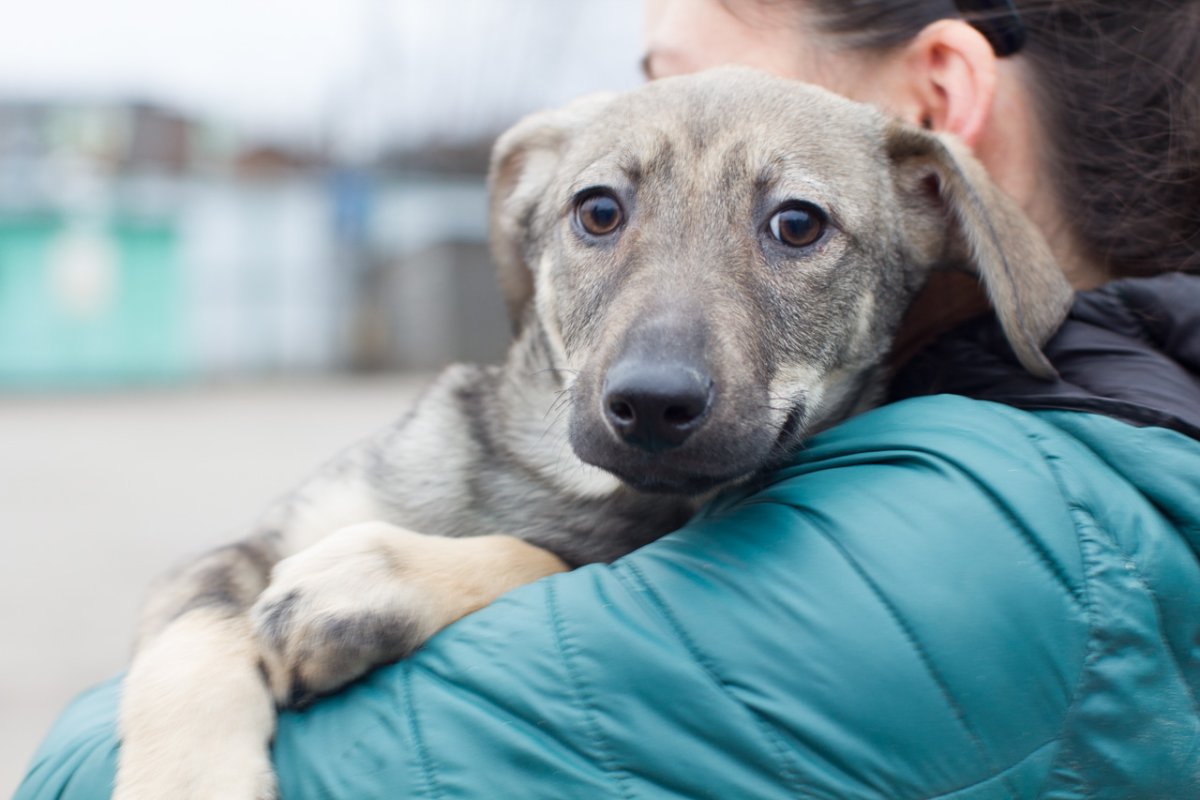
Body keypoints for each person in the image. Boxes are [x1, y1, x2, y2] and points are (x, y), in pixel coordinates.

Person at [17, 1, 1200, 797]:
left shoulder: (978, 525)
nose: (658, 363)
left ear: (935, 124)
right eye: (603, 210)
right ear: (529, 218)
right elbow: (229, 578)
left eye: (792, 223)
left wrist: (496, 573)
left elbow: (75, 773)